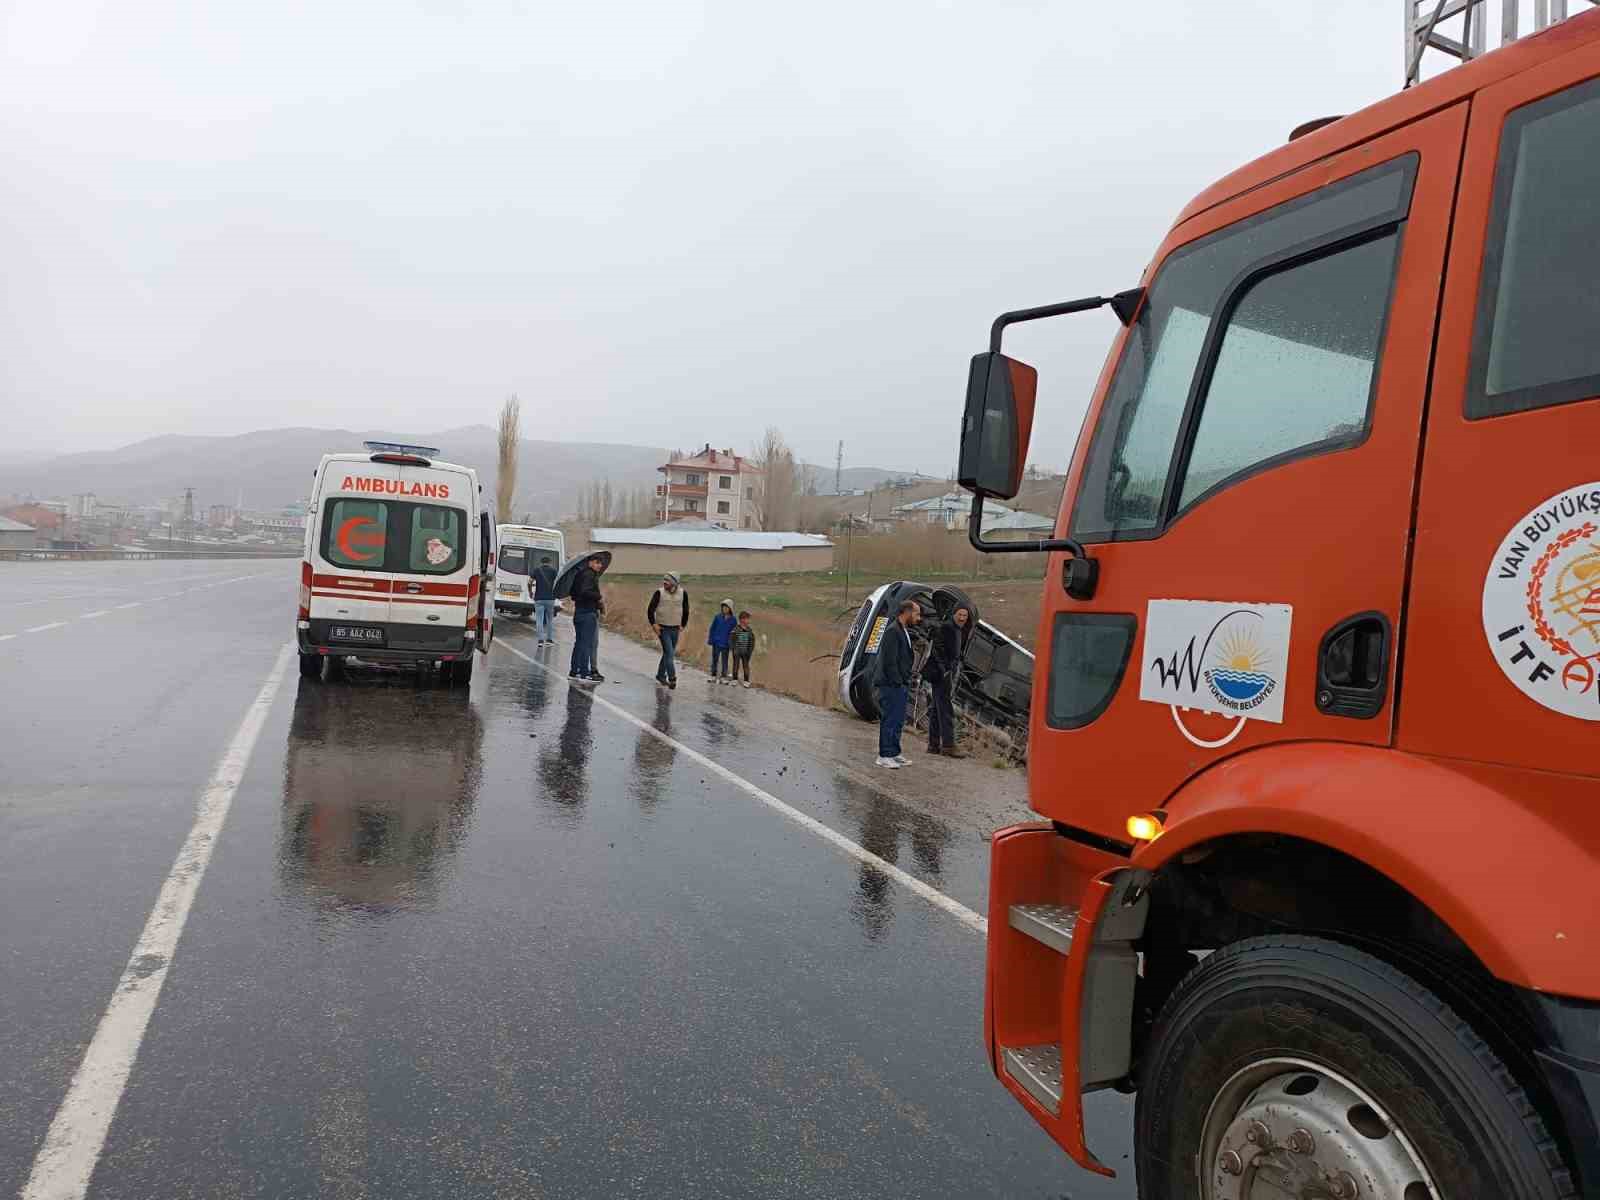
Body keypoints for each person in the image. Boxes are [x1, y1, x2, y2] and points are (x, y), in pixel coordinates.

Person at [874, 599, 921, 768]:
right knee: (890, 719)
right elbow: (889, 661)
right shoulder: (893, 631)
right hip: (891, 684)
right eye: (916, 613)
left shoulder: (903, 630)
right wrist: (898, 682)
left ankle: (894, 752)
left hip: (900, 684)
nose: (919, 618)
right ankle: (884, 755)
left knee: (898, 720)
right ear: (907, 612)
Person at [924, 605, 970, 758]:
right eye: (960, 614)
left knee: (937, 709)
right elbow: (937, 649)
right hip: (942, 674)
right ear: (953, 614)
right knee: (946, 709)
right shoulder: (947, 627)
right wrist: (945, 670)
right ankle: (949, 746)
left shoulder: (956, 628)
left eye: (965, 616)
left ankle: (933, 745)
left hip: (943, 673)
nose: (962, 618)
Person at [647, 571, 690, 690]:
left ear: (675, 583)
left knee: (667, 653)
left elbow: (686, 610)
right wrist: (653, 624)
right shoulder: (659, 592)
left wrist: (683, 624)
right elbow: (650, 610)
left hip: (675, 628)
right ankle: (672, 678)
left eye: (668, 580)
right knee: (670, 653)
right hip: (663, 628)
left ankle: (660, 675)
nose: (665, 582)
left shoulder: (683, 593)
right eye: (664, 580)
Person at [569, 554, 607, 684]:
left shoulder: (579, 575)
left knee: (579, 643)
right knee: (586, 643)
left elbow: (573, 594)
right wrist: (598, 596)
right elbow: (586, 592)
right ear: (590, 563)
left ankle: (574, 672)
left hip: (579, 611)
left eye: (600, 563)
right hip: (588, 613)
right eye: (597, 563)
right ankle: (584, 673)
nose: (600, 566)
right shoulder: (589, 575)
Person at [531, 554, 558, 645]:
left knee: (539, 619)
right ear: (549, 562)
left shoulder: (537, 570)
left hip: (539, 598)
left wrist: (530, 592)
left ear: (541, 562)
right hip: (550, 598)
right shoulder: (554, 571)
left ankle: (540, 640)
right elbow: (557, 583)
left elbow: (529, 582)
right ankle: (549, 640)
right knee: (550, 620)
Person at [707, 599, 737, 683]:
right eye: (723, 607)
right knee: (715, 660)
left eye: (726, 607)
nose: (724, 609)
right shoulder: (717, 617)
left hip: (726, 644)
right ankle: (713, 675)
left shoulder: (733, 620)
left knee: (725, 661)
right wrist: (710, 639)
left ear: (730, 609)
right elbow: (712, 629)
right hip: (716, 643)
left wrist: (732, 644)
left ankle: (723, 677)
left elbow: (734, 633)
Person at [730, 611, 756, 688]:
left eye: (748, 619)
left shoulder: (749, 631)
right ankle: (734, 679)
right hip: (737, 651)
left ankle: (746, 680)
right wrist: (733, 649)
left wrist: (750, 651)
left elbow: (752, 641)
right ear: (742, 620)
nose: (748, 621)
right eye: (747, 619)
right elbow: (731, 640)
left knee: (746, 666)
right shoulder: (736, 629)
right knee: (735, 665)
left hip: (746, 652)